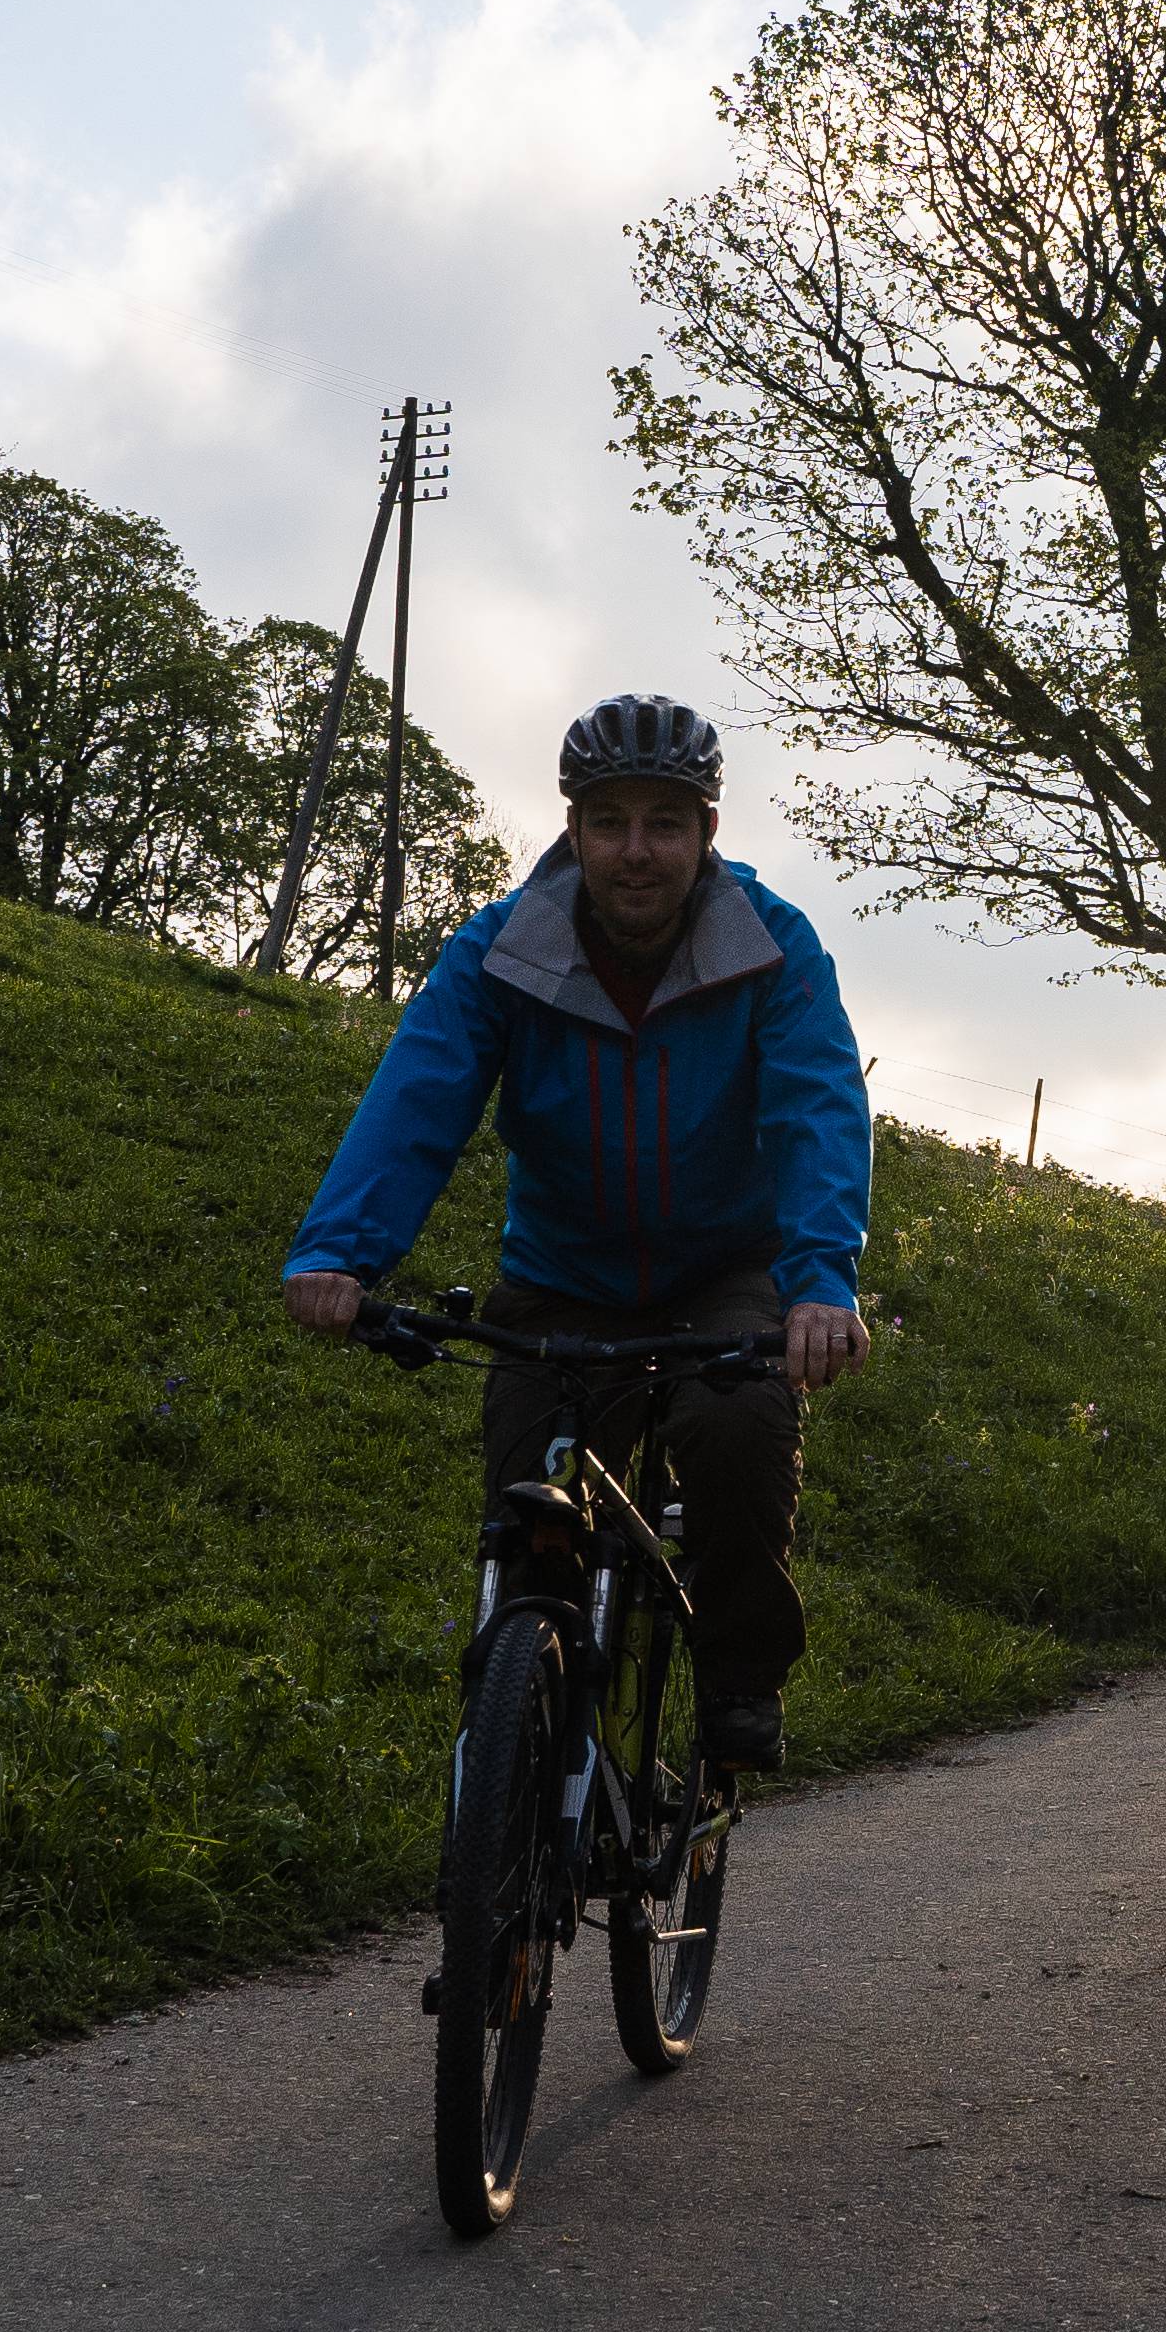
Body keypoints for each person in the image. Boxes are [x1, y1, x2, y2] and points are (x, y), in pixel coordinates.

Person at [280, 693, 872, 1772]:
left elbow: (814, 1114)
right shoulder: (503, 948)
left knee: (737, 1436)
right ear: (572, 831)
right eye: (609, 822)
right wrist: (339, 1253)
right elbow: (420, 1097)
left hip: (724, 1276)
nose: (635, 850)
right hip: (561, 1282)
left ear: (707, 833)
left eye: (664, 822)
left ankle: (740, 1677)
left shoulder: (773, 948)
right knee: (530, 1518)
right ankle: (518, 1765)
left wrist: (820, 1283)